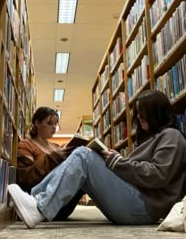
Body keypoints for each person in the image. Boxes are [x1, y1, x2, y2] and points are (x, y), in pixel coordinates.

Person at [9, 90, 186, 228]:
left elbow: (158, 175)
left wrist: (118, 162)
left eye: (143, 112)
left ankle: (38, 207)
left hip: (144, 207)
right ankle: (34, 201)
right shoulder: (154, 138)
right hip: (137, 202)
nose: (138, 117)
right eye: (137, 112)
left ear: (157, 113)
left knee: (83, 155)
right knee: (83, 156)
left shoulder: (172, 136)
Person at [16, 106, 83, 220]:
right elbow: (25, 179)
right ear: (37, 123)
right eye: (49, 123)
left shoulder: (56, 147)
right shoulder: (26, 145)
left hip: (63, 201)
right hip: (42, 201)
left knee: (83, 164)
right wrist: (54, 157)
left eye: (56, 124)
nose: (54, 128)